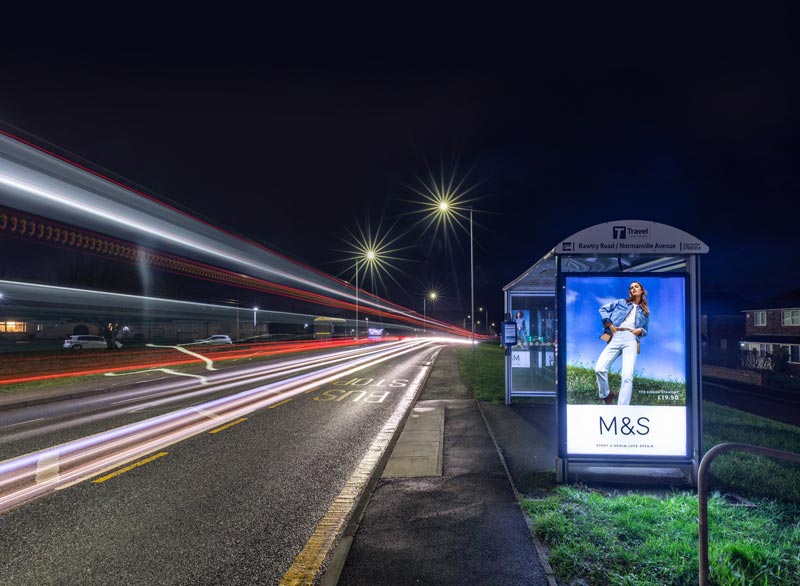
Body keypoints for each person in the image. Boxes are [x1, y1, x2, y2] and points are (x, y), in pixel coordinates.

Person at [594, 281, 649, 405]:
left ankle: (622, 408)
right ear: (630, 292)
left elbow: (646, 331)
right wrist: (610, 325)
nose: (633, 289)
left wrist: (640, 330)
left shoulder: (645, 312)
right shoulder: (621, 302)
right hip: (616, 335)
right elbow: (602, 309)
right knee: (599, 368)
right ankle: (606, 395)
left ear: (641, 291)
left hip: (631, 338)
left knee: (627, 375)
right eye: (631, 288)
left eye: (636, 287)